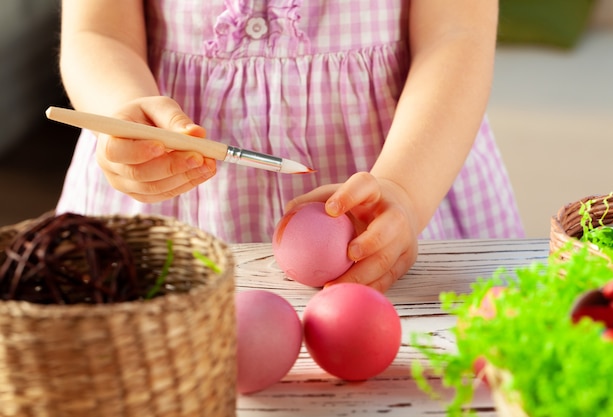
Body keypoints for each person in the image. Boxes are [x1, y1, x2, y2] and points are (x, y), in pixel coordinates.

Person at [56, 0, 524, 293]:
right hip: (167, 215)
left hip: (411, 185)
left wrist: (402, 189)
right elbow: (97, 31)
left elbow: (457, 34)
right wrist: (123, 111)